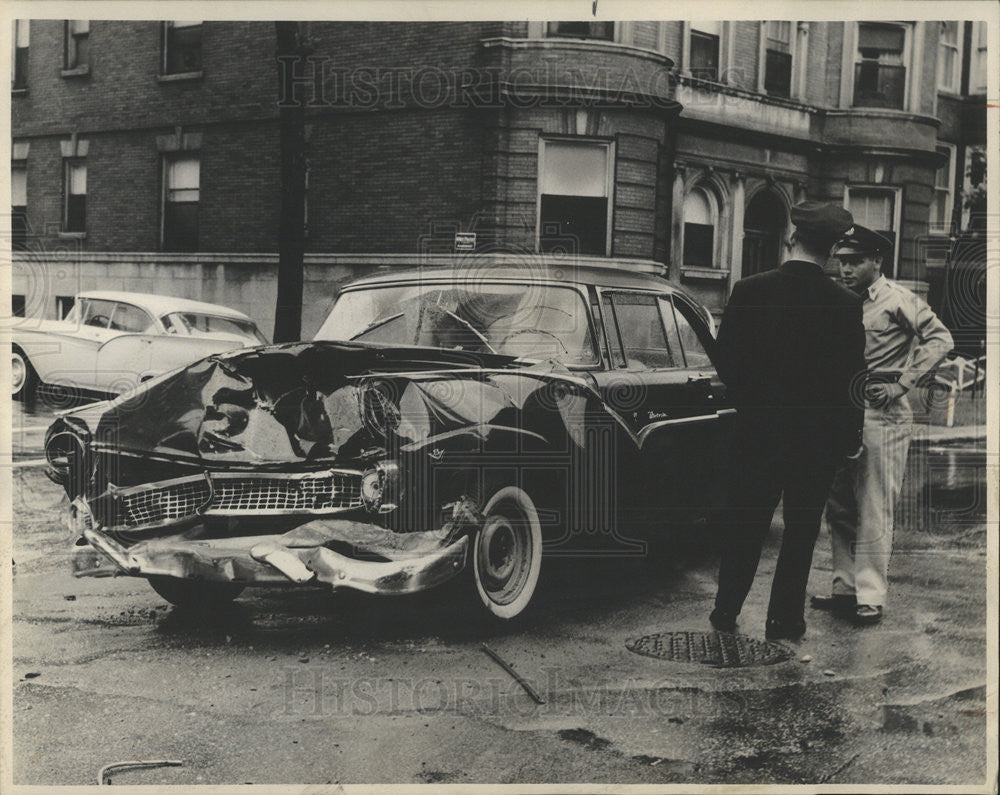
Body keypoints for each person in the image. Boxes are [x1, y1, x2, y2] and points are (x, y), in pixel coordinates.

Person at [710, 201, 867, 640]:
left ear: (790, 238)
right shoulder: (845, 303)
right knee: (800, 529)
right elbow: (852, 380)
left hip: (757, 431)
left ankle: (726, 609)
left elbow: (725, 363)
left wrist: (752, 403)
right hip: (815, 439)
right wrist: (847, 436)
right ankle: (784, 619)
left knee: (746, 521)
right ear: (835, 248)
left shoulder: (749, 290)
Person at [813, 225, 953, 626]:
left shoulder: (897, 300)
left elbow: (940, 340)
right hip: (842, 411)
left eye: (855, 261)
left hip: (881, 413)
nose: (845, 268)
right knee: (839, 504)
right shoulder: (839, 301)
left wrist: (902, 384)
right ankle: (844, 587)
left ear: (877, 260)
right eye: (841, 260)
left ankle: (870, 594)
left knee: (874, 504)